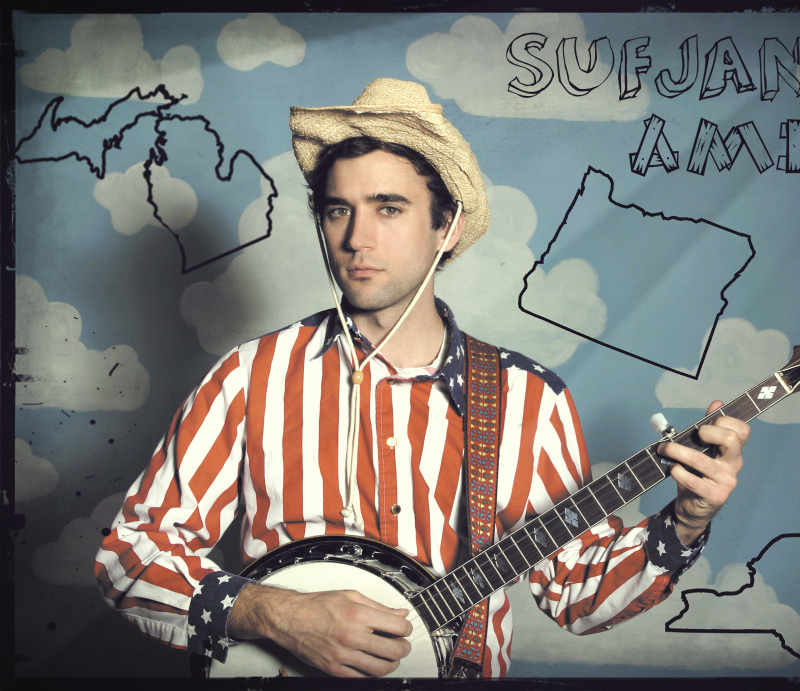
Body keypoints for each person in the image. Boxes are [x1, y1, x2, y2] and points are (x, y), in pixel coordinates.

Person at [95, 78, 748, 679]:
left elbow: (579, 592)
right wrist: (274, 613)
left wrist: (687, 520)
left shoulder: (527, 399)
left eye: (388, 208)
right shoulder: (250, 376)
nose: (357, 238)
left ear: (446, 225)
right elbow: (129, 553)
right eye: (337, 210)